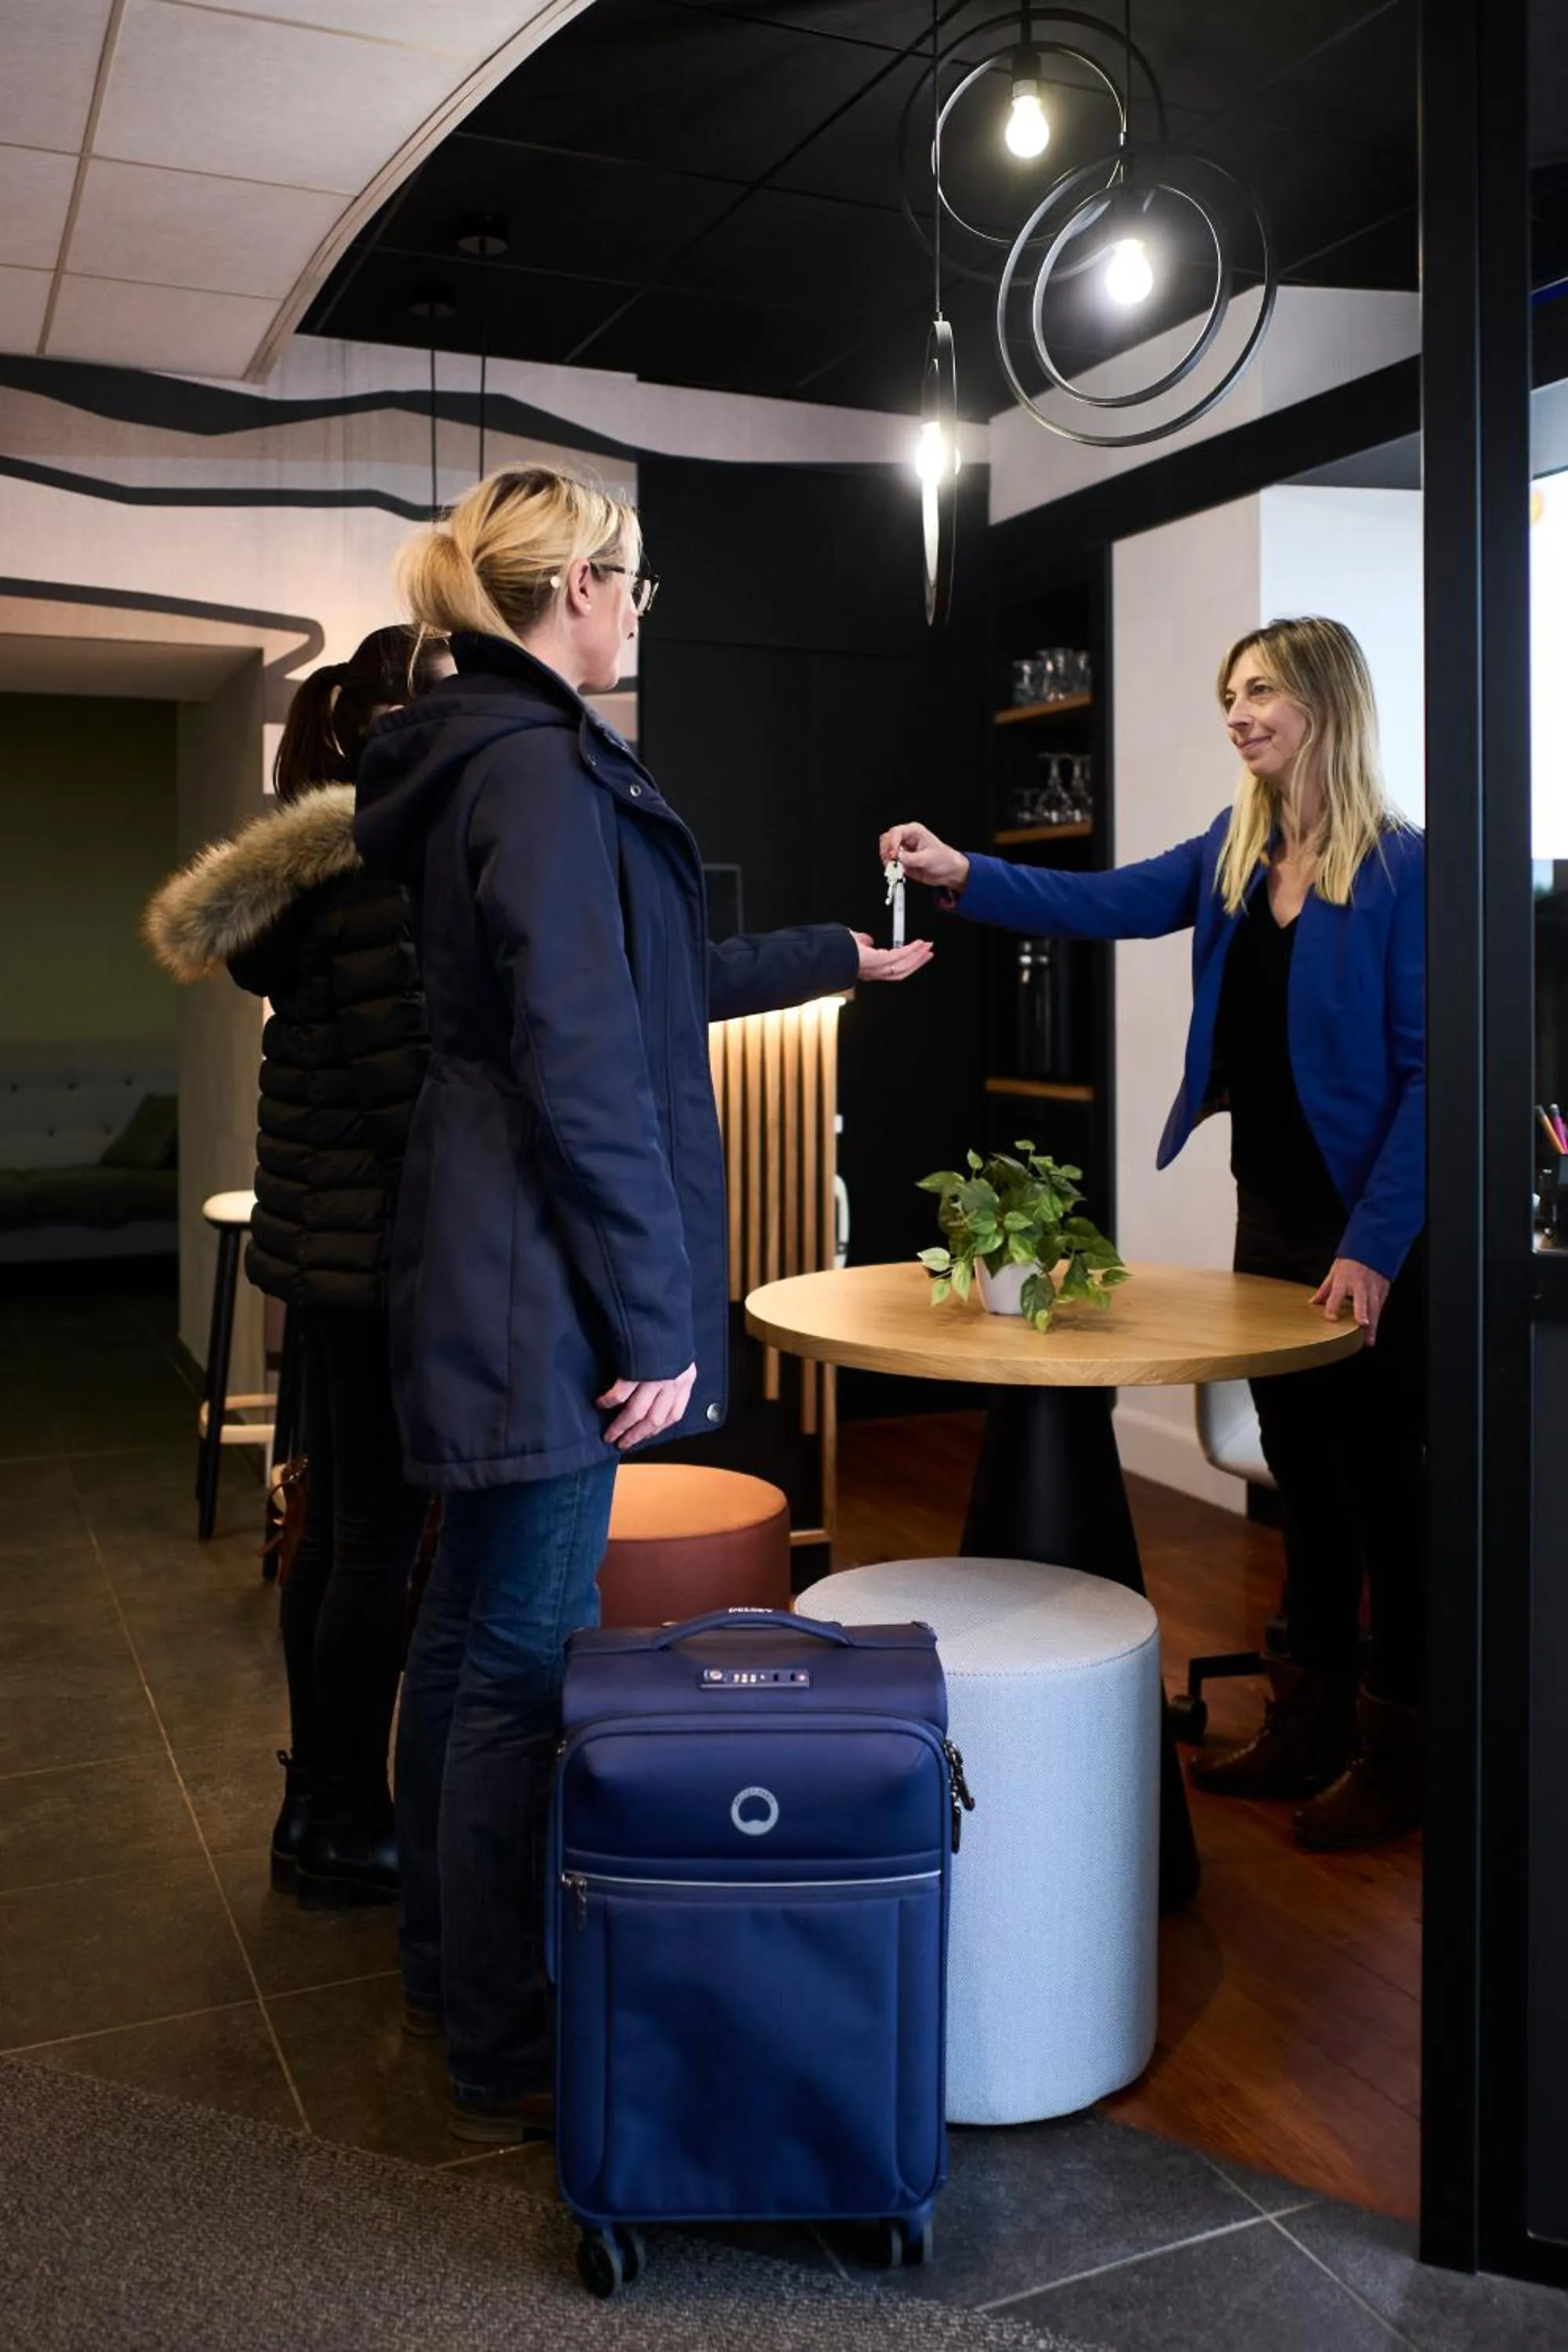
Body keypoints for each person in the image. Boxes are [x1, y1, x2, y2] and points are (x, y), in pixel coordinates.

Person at [353, 462, 933, 2140]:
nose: (640, 614)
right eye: (635, 585)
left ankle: (438, 1972)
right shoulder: (536, 771)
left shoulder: (487, 753)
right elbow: (588, 1065)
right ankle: (501, 2033)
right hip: (543, 1278)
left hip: (497, 1256)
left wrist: (836, 948)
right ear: (575, 593)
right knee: (517, 1660)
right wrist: (656, 1320)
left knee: (468, 1633)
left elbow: (641, 987)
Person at [881, 615, 1425, 1851]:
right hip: (1275, 1216)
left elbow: (1431, 1079)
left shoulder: (1404, 869)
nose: (1236, 713)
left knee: (1385, 1495)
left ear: (1326, 702)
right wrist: (964, 871)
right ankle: (1308, 1720)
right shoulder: (1238, 854)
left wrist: (1379, 1248)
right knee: (1308, 1491)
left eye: (1262, 691)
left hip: (1372, 1235)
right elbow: (1109, 900)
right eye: (1228, 691)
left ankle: (1400, 1753)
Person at [145, 626, 451, 1907]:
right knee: (370, 1542)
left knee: (329, 1533)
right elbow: (405, 1091)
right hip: (377, 1257)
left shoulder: (312, 876)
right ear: (401, 720)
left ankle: (314, 1805)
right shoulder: (383, 871)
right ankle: (343, 1816)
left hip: (318, 1258)